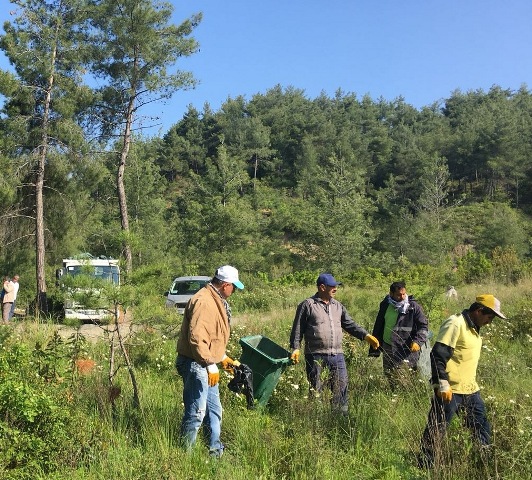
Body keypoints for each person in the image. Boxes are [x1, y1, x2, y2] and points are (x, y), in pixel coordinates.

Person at [418, 294, 506, 468]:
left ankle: (483, 463)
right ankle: (425, 465)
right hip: (450, 390)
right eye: (490, 317)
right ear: (479, 311)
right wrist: (442, 383)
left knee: (481, 427)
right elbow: (438, 355)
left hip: (470, 390)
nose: (491, 322)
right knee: (437, 429)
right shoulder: (455, 323)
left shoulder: (474, 327)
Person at [175, 265, 244, 457]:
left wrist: (222, 358)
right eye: (234, 287)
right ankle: (184, 457)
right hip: (196, 364)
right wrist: (209, 363)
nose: (235, 291)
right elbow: (197, 338)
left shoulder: (215, 299)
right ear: (224, 285)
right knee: (197, 412)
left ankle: (215, 451)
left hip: (205, 363)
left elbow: (211, 336)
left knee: (214, 411)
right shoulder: (205, 301)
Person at [289, 273, 380, 413]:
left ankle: (340, 416)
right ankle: (316, 417)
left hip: (337, 355)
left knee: (341, 387)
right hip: (315, 355)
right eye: (333, 286)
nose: (336, 289)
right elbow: (298, 329)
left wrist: (366, 336)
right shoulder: (308, 305)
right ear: (322, 287)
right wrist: (296, 348)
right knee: (316, 388)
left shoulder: (338, 306)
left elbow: (350, 324)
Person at [369, 281, 429, 388]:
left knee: (402, 379)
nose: (402, 297)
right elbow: (379, 324)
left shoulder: (413, 307)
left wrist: (418, 342)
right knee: (389, 375)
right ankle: (393, 397)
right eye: (398, 295)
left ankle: (404, 399)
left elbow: (423, 327)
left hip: (405, 349)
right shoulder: (386, 304)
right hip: (388, 346)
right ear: (391, 294)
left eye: (403, 294)